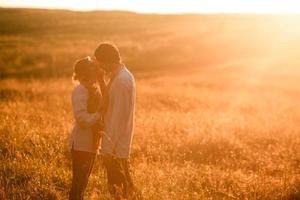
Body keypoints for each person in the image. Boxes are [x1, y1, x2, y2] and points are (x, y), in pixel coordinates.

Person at [94, 42, 136, 199]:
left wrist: (108, 148)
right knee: (123, 188)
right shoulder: (119, 76)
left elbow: (119, 117)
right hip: (115, 144)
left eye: (100, 62)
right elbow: (109, 102)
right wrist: (100, 79)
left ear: (107, 60)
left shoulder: (122, 81)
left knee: (117, 190)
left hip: (115, 146)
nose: (100, 67)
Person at [68, 57, 103, 200]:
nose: (95, 76)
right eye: (92, 71)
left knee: (83, 183)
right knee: (78, 184)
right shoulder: (80, 91)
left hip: (90, 144)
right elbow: (82, 119)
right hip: (82, 144)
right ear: (83, 74)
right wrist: (99, 113)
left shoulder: (93, 90)